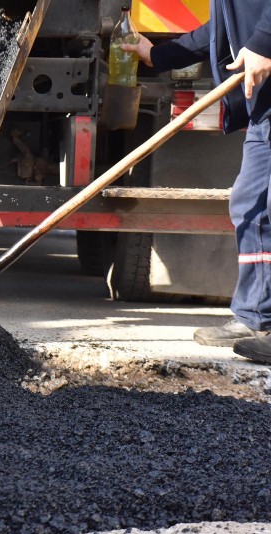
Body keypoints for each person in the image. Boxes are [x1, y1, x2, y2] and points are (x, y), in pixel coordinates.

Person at [123, 0, 271, 364]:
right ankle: (257, 317)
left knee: (261, 204)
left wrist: (264, 43)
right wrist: (159, 55)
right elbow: (221, 28)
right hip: (265, 109)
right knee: (251, 205)